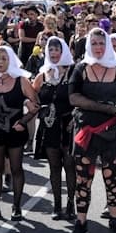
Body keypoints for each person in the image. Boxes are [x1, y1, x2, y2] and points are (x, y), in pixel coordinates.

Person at [68, 27, 116, 233]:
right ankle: (81, 222)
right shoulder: (80, 69)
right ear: (88, 45)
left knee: (113, 179)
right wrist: (106, 108)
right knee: (82, 179)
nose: (98, 47)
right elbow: (74, 98)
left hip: (112, 134)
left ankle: (114, 223)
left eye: (101, 43)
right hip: (86, 133)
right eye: (94, 43)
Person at [0, 45, 40, 222]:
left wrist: (23, 121)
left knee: (16, 169)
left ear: (11, 60)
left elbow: (36, 105)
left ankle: (17, 206)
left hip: (15, 133)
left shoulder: (21, 80)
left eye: (4, 59)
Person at [33, 36, 76, 220]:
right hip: (49, 127)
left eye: (57, 49)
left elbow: (79, 96)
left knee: (70, 165)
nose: (54, 53)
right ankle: (57, 205)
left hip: (68, 126)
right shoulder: (43, 74)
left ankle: (71, 205)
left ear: (63, 50)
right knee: (54, 166)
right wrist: (36, 108)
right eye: (50, 50)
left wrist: (77, 116)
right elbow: (32, 95)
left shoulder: (73, 71)